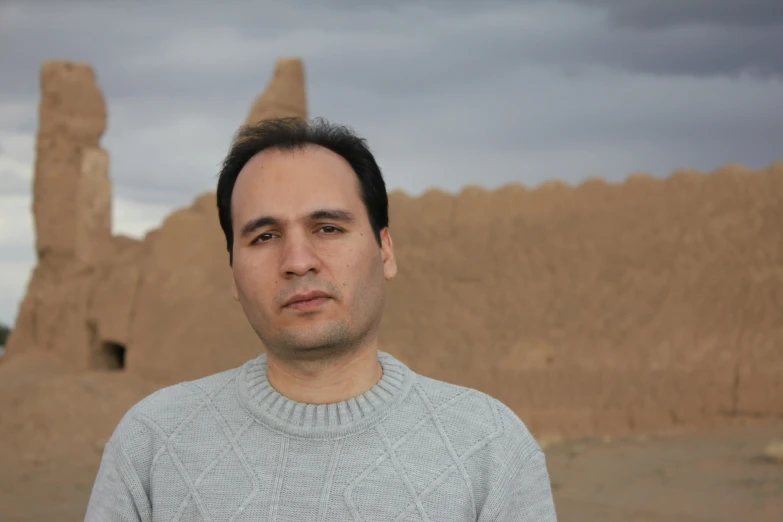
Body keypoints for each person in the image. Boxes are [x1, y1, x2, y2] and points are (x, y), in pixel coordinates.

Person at [84, 117, 558, 521]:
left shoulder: (489, 447)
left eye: (328, 228)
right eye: (264, 236)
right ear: (232, 272)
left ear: (385, 250)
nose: (298, 260)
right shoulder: (152, 443)